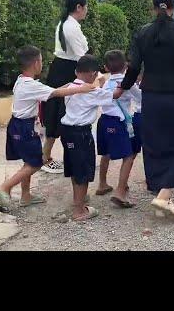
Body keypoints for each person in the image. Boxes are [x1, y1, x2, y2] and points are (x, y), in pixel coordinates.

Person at [120, 0, 174, 218]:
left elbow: (133, 68)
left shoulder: (143, 33)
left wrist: (122, 88)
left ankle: (159, 189)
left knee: (154, 145)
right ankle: (164, 196)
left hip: (151, 97)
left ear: (153, 7)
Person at [0, 46, 96, 208]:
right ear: (35, 64)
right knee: (36, 162)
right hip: (25, 128)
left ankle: (26, 195)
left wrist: (69, 85)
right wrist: (81, 88)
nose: (42, 64)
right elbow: (55, 94)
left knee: (28, 161)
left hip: (17, 125)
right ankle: (5, 187)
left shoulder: (22, 81)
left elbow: (51, 91)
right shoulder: (31, 86)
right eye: (41, 61)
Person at [59, 54, 122, 221]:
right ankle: (79, 211)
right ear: (93, 73)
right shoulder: (91, 91)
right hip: (81, 134)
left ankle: (77, 200)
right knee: (84, 170)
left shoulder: (70, 87)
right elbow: (114, 95)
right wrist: (125, 83)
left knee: (74, 167)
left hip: (67, 132)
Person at [40, 0, 89, 174]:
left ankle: (53, 156)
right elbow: (81, 55)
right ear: (78, 7)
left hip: (62, 70)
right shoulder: (70, 27)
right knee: (59, 116)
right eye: (86, 7)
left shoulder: (68, 24)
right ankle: (45, 157)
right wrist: (97, 77)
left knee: (60, 115)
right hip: (66, 72)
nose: (87, 10)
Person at [96, 50, 141, 208]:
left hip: (103, 120)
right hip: (118, 122)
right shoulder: (127, 81)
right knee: (128, 156)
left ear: (106, 68)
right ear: (126, 66)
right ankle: (120, 191)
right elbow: (140, 97)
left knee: (106, 153)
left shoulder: (107, 82)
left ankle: (102, 184)